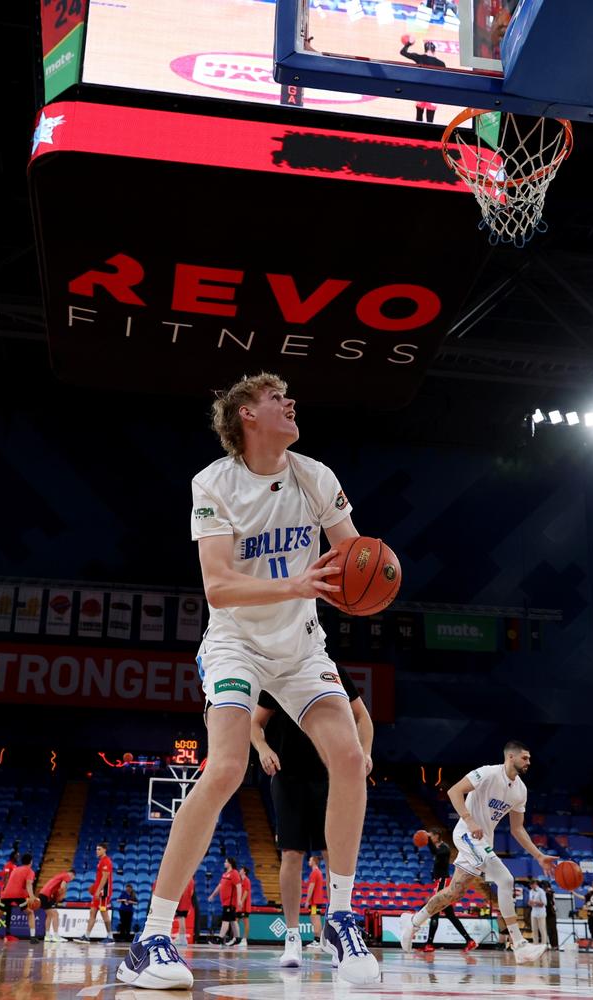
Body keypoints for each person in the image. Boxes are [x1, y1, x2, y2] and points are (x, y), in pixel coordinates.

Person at [117, 371, 379, 990]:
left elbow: (353, 556)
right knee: (227, 767)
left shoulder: (315, 475)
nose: (290, 401)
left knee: (349, 756)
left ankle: (341, 920)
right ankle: (151, 936)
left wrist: (370, 578)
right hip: (235, 641)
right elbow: (217, 585)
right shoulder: (214, 483)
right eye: (274, 398)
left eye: (290, 394)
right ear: (246, 418)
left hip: (299, 646)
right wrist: (296, 584)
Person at [251, 662, 373, 968]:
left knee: (333, 852)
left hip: (329, 774)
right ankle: (292, 937)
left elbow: (363, 719)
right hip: (287, 775)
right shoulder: (277, 672)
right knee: (291, 854)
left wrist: (365, 752)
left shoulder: (333, 669)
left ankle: (335, 932)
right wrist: (263, 748)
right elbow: (254, 723)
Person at [400, 741, 557, 964]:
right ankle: (519, 944)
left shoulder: (520, 790)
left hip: (483, 842)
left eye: (529, 758)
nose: (529, 762)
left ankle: (412, 922)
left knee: (455, 892)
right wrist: (469, 820)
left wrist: (539, 855)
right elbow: (455, 791)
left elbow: (517, 828)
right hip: (466, 834)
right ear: (510, 757)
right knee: (505, 879)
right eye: (525, 757)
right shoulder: (487, 773)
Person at [419, 829, 475, 953]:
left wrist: (426, 839)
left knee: (434, 911)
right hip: (439, 881)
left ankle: (429, 944)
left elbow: (435, 852)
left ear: (437, 835)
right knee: (450, 916)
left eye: (432, 836)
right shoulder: (441, 847)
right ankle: (469, 940)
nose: (431, 838)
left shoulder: (444, 848)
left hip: (442, 882)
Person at [0, 852, 38, 942]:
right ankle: (33, 937)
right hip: (19, 895)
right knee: (30, 913)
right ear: (31, 862)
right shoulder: (30, 871)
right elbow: (28, 884)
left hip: (6, 894)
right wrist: (32, 896)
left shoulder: (16, 869)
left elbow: (9, 881)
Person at [79, 843, 114, 942]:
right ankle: (87, 935)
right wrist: (94, 887)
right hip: (98, 891)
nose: (97, 851)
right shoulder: (101, 861)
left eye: (99, 849)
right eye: (96, 849)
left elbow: (105, 877)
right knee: (92, 912)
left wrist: (98, 890)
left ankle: (110, 936)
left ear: (104, 850)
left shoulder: (106, 861)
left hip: (104, 893)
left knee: (104, 913)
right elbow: (99, 878)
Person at [208, 857, 242, 946]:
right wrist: (212, 895)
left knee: (225, 920)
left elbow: (238, 887)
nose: (224, 863)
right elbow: (220, 886)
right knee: (232, 920)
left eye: (226, 862)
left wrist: (239, 900)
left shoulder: (234, 873)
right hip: (225, 902)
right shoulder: (225, 874)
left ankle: (220, 938)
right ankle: (238, 939)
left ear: (230, 863)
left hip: (230, 903)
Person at [39, 868, 75, 942]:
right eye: (72, 878)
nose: (71, 880)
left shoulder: (59, 875)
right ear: (72, 875)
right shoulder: (67, 875)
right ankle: (56, 936)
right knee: (56, 914)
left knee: (49, 915)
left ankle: (47, 936)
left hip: (42, 894)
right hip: (48, 896)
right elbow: (62, 886)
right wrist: (62, 894)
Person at [175, 877, 195, 946]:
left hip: (181, 903)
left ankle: (182, 939)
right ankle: (181, 937)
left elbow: (180, 892)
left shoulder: (183, 879)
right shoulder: (191, 880)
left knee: (181, 920)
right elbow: (192, 892)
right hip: (187, 902)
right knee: (182, 920)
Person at [528, 878, 547, 946]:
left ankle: (543, 944)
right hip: (534, 913)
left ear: (535, 884)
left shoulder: (541, 891)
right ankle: (535, 944)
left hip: (541, 913)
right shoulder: (531, 891)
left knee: (542, 929)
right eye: (530, 885)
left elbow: (544, 903)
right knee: (534, 929)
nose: (531, 886)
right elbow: (530, 901)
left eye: (532, 885)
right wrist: (530, 903)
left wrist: (535, 902)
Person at [236, 866, 251, 948]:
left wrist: (241, 901)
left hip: (244, 905)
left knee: (245, 922)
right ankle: (236, 939)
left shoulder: (246, 880)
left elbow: (246, 892)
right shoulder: (240, 880)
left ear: (244, 871)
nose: (239, 870)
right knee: (236, 921)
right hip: (239, 905)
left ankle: (244, 940)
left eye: (241, 869)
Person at [541, 880, 558, 949]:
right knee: (543, 929)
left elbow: (552, 902)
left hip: (551, 913)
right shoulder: (540, 893)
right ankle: (544, 944)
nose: (545, 888)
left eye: (546, 887)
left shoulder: (551, 893)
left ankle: (554, 945)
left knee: (552, 929)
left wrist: (548, 892)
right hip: (542, 913)